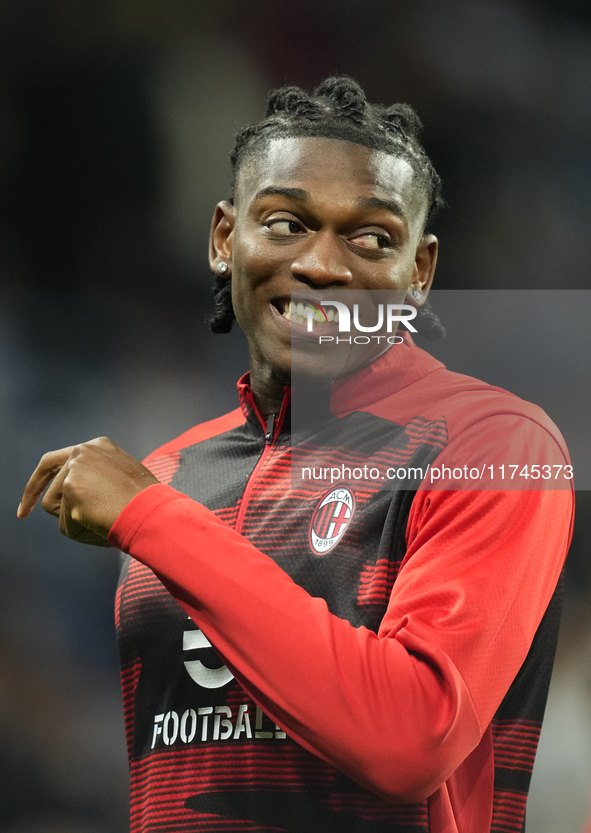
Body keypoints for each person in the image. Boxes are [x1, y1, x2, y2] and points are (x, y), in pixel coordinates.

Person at [18, 77, 573, 833]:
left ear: (419, 271)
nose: (321, 266)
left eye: (371, 238)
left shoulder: (495, 443)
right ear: (223, 238)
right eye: (284, 223)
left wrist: (151, 518)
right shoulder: (178, 467)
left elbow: (412, 742)